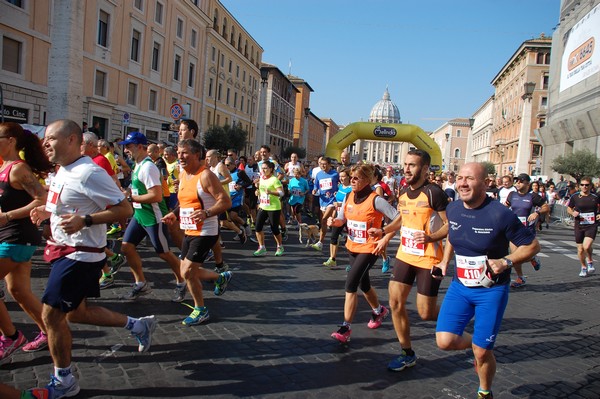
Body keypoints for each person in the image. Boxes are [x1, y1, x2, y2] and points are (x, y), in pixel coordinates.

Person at [29, 119, 156, 397]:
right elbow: (70, 203)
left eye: (51, 138)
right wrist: (48, 214)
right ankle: (138, 324)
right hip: (63, 250)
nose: (45, 143)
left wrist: (85, 220)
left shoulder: (89, 172)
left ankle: (64, 381)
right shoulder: (63, 170)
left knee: (50, 315)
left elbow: (124, 210)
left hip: (80, 255)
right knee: (78, 313)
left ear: (72, 139)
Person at [435, 162, 540, 399]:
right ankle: (479, 343)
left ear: (484, 183)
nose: (462, 183)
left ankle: (485, 391)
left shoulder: (500, 214)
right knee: (444, 341)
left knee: (482, 354)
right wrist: (444, 260)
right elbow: (453, 232)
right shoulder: (453, 209)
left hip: (490, 291)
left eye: (470, 179)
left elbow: (532, 245)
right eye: (460, 178)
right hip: (459, 287)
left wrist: (507, 261)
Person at [375, 149, 449, 372]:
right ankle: (407, 353)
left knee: (426, 313)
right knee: (395, 303)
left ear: (425, 169)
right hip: (405, 255)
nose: (406, 169)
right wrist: (383, 232)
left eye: (412, 165)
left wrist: (431, 237)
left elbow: (451, 225)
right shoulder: (404, 192)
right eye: (406, 164)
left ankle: (458, 314)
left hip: (429, 258)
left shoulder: (435, 193)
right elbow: (402, 219)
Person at [162, 139, 233, 325]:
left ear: (196, 154)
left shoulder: (206, 176)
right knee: (187, 271)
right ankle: (220, 278)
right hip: (190, 230)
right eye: (178, 152)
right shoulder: (184, 174)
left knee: (186, 272)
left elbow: (225, 202)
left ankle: (200, 309)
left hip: (206, 232)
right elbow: (185, 202)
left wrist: (207, 213)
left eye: (184, 152)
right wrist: (174, 213)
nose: (180, 156)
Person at [327, 163, 400, 344]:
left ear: (367, 180)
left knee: (350, 283)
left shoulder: (376, 200)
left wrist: (384, 236)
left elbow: (399, 218)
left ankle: (345, 328)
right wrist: (333, 221)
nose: (351, 180)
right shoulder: (350, 196)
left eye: (356, 177)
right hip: (353, 247)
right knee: (364, 284)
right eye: (351, 177)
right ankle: (378, 311)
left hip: (370, 248)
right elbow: (341, 219)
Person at [0, 123, 53, 360]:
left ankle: (11, 337)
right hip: (10, 235)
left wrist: (9, 215)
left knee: (18, 290)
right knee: (18, 290)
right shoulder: (4, 167)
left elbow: (42, 198)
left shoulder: (19, 169)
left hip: (18, 236)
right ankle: (51, 332)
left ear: (10, 140)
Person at [117, 132, 186, 302]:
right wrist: (125, 194)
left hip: (154, 217)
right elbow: (136, 189)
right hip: (140, 215)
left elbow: (156, 196)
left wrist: (132, 198)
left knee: (164, 253)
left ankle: (182, 281)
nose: (126, 150)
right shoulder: (137, 164)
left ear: (140, 147)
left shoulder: (148, 167)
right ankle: (140, 283)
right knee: (126, 247)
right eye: (125, 146)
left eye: (129, 146)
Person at [505, 173, 548, 288]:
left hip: (527, 230)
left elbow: (546, 207)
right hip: (514, 229)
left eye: (520, 181)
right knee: (515, 255)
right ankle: (520, 277)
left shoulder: (533, 196)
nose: (517, 183)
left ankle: (532, 257)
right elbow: (506, 206)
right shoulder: (511, 195)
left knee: (523, 254)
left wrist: (536, 213)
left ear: (527, 183)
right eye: (516, 181)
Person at [567, 177, 600, 277]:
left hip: (591, 225)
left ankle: (589, 260)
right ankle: (583, 267)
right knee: (580, 249)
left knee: (587, 246)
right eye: (582, 185)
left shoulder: (595, 197)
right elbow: (569, 208)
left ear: (590, 186)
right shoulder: (575, 197)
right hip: (579, 225)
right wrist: (573, 213)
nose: (584, 187)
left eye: (586, 185)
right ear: (579, 186)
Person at [253, 160, 285, 257]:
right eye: (262, 168)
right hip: (263, 206)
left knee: (274, 228)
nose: (263, 170)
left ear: (271, 169)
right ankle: (262, 247)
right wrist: (257, 192)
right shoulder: (261, 178)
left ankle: (280, 246)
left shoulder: (275, 180)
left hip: (274, 207)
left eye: (265, 168)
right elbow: (261, 190)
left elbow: (281, 193)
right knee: (257, 227)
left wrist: (271, 192)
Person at [322, 167, 352, 268]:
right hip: (339, 216)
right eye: (340, 177)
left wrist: (339, 204)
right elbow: (337, 199)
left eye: (343, 176)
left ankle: (353, 262)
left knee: (351, 239)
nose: (341, 178)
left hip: (348, 217)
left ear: (348, 177)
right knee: (333, 236)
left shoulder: (351, 189)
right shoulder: (340, 187)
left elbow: (350, 203)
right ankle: (332, 258)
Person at [310, 157, 339, 251]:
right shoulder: (319, 174)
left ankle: (320, 242)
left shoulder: (335, 174)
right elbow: (316, 185)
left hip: (332, 200)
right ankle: (337, 234)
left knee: (323, 220)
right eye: (321, 164)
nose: (323, 165)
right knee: (324, 223)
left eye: (325, 164)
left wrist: (338, 192)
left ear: (329, 164)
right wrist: (315, 190)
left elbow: (341, 184)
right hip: (322, 200)